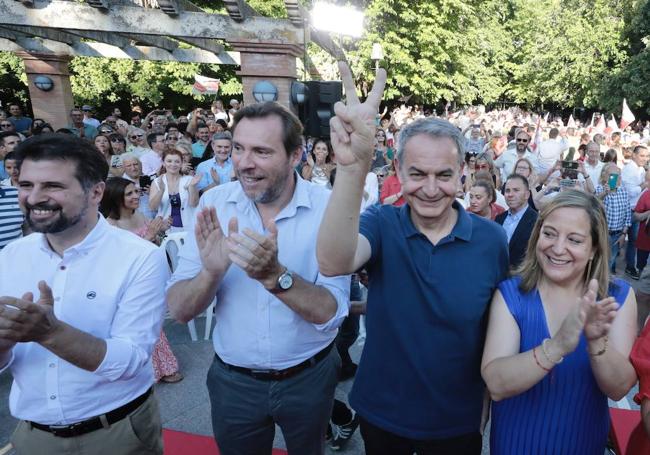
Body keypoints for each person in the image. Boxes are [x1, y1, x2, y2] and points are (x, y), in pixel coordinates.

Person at [317, 62, 508, 454]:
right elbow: (334, 262)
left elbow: (496, 325)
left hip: (457, 419)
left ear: (462, 177)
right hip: (384, 414)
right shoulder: (382, 222)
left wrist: (487, 397)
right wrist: (353, 167)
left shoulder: (491, 239)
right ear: (399, 172)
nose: (431, 189)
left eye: (444, 175)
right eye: (418, 174)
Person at [165, 101, 350, 455]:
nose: (244, 163)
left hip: (309, 378)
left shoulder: (328, 208)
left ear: (295, 156)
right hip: (234, 383)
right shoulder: (214, 204)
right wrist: (211, 273)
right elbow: (180, 309)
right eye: (238, 148)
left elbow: (332, 311)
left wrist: (275, 276)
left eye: (262, 151)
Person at [0, 133, 169, 454]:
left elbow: (131, 360)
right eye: (25, 185)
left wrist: (50, 333)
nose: (35, 197)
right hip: (32, 435)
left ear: (96, 192)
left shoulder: (139, 257)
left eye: (53, 186)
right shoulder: (10, 257)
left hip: (118, 433)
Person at [481, 190, 637, 454]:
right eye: (549, 233)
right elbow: (496, 383)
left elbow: (619, 388)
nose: (557, 247)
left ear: (593, 250)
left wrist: (597, 342)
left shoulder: (617, 297)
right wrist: (557, 346)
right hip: (513, 446)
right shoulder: (511, 294)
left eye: (574, 240)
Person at [99, 177, 182, 384]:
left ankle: (163, 367)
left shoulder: (140, 215)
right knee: (138, 324)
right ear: (116, 197)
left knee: (153, 322)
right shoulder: (109, 225)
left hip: (148, 277)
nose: (136, 196)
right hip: (124, 283)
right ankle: (149, 371)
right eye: (129, 193)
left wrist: (160, 231)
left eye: (136, 191)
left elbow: (152, 244)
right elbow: (120, 260)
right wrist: (149, 236)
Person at [148, 149, 200, 232]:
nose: (173, 164)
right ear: (163, 163)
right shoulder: (157, 182)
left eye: (177, 161)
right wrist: (161, 191)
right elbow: (152, 208)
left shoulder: (189, 180)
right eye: (169, 161)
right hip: (165, 228)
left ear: (181, 163)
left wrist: (193, 186)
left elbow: (194, 204)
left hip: (189, 227)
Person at [495, 174, 538, 269]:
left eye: (516, 190)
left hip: (522, 278)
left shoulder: (537, 221)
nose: (510, 194)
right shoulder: (499, 219)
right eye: (507, 190)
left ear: (527, 194)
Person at [595, 163, 631, 274]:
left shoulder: (623, 191)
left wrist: (623, 234)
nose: (615, 179)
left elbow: (627, 215)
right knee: (599, 263)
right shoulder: (600, 189)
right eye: (611, 175)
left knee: (610, 263)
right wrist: (605, 193)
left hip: (617, 235)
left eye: (618, 176)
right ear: (604, 176)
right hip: (603, 234)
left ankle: (605, 286)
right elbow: (594, 203)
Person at [622, 144, 650, 279]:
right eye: (642, 155)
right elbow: (630, 192)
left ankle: (629, 264)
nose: (645, 158)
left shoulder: (640, 169)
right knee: (627, 239)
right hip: (629, 210)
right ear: (633, 155)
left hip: (637, 209)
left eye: (646, 156)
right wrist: (645, 184)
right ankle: (627, 266)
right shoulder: (628, 170)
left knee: (633, 240)